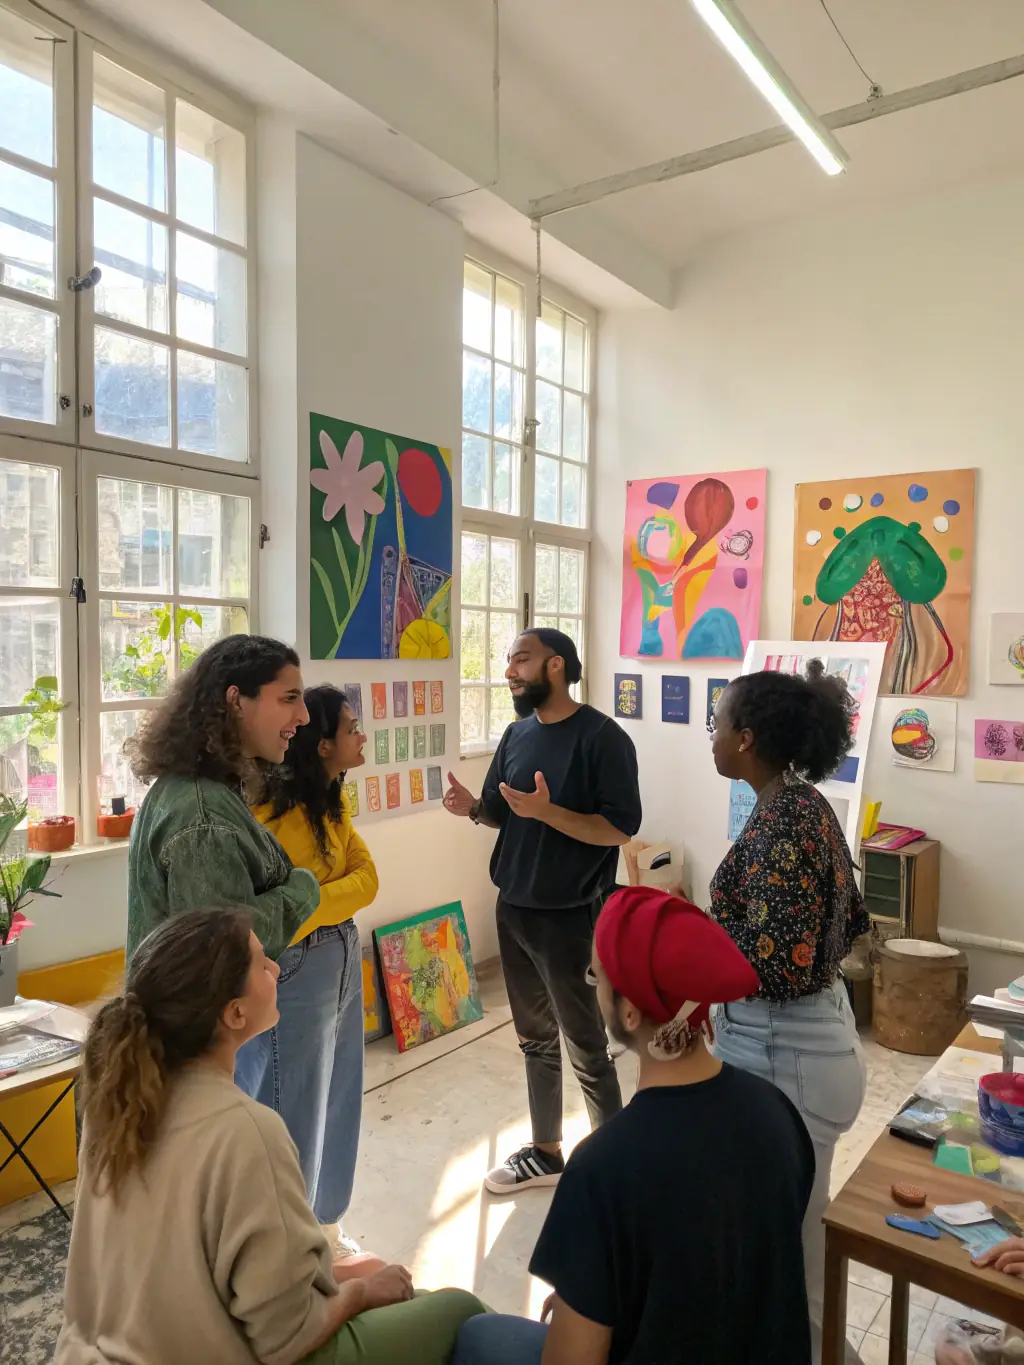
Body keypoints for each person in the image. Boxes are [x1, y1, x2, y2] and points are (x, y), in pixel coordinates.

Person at [56, 907, 486, 1365]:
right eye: (263, 963)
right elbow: (286, 1337)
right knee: (463, 1312)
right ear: (235, 1013)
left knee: (369, 1268)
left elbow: (187, 1264)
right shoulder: (245, 1131)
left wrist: (346, 1274)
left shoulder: (116, 1106)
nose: (278, 968)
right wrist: (360, 1292)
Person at [451, 886, 814, 1365]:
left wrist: (586, 1303)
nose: (591, 984)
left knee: (476, 1332)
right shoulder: (777, 1112)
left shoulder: (604, 1166)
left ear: (628, 1011)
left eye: (595, 976)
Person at [707, 663, 870, 1365]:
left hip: (792, 1061)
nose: (709, 736)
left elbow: (772, 965)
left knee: (796, 1281)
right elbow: (850, 922)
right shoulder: (794, 804)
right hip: (808, 1044)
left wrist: (684, 956)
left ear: (746, 738)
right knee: (783, 1256)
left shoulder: (785, 821)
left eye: (717, 723)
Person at [443, 628, 641, 1195]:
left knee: (587, 1044)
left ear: (555, 666)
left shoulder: (603, 739)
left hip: (570, 915)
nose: (509, 670)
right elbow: (503, 812)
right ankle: (546, 1151)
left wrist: (550, 814)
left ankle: (612, 1162)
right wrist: (471, 809)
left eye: (520, 659)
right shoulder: (516, 734)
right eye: (507, 659)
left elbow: (619, 829)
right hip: (514, 907)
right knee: (533, 1037)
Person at [243, 685, 378, 1249]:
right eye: (351, 729)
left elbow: (368, 879)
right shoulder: (271, 814)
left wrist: (318, 896)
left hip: (341, 956)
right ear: (322, 746)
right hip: (297, 967)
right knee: (290, 1101)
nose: (361, 736)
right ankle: (287, 1245)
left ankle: (325, 1224)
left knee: (341, 1094)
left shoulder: (333, 799)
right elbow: (282, 914)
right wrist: (321, 898)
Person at [125, 634, 319, 964]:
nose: (304, 716)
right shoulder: (203, 817)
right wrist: (303, 890)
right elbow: (225, 951)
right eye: (289, 698)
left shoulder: (199, 790)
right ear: (236, 701)